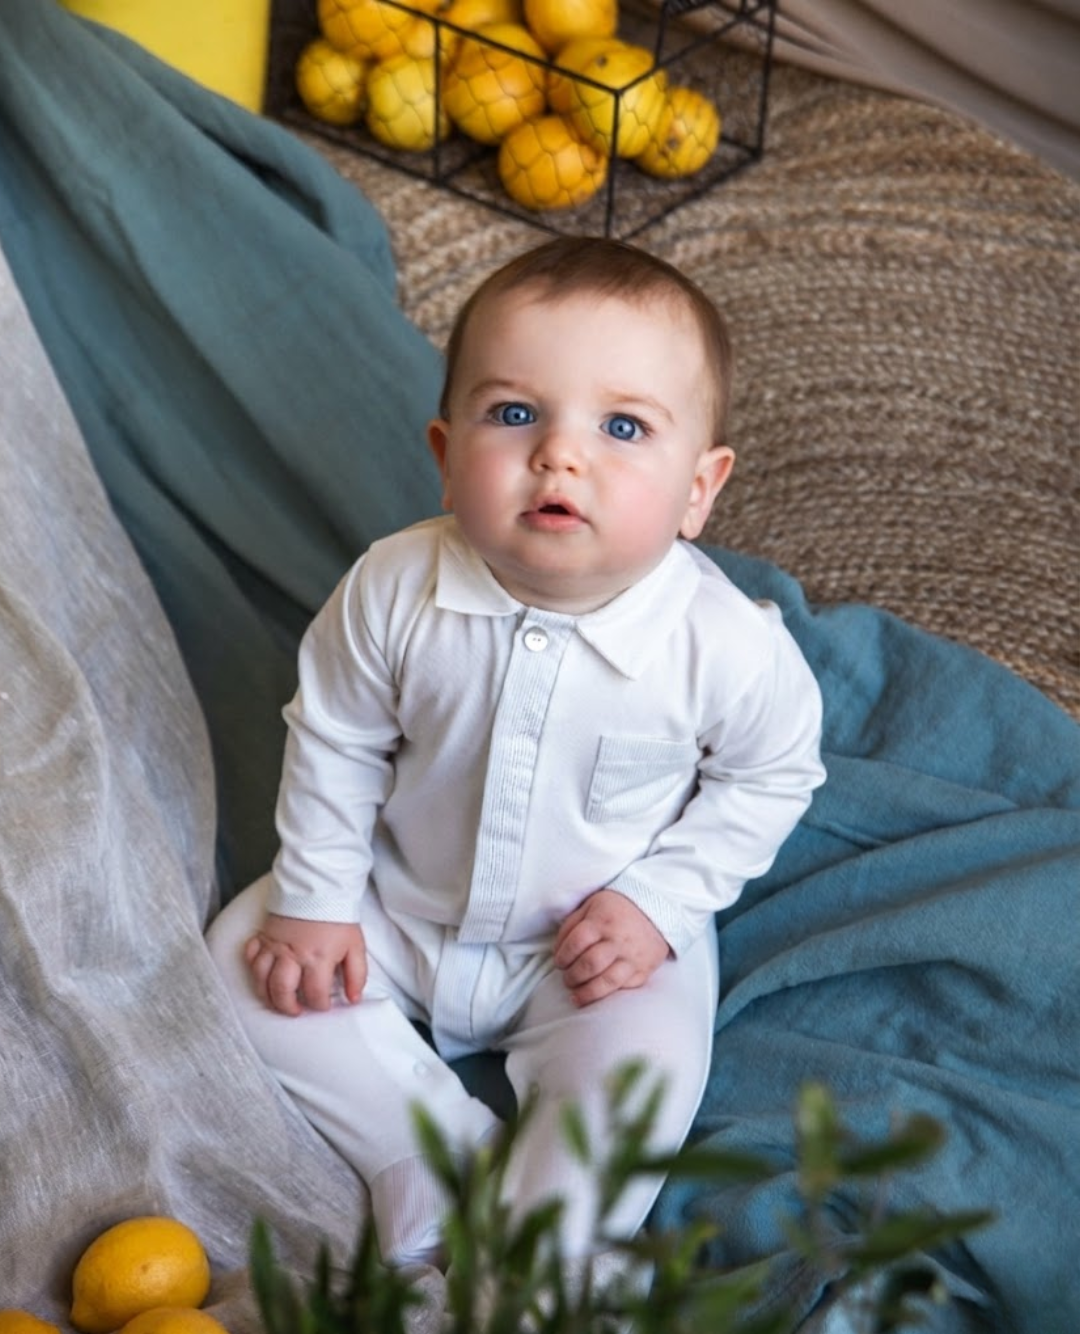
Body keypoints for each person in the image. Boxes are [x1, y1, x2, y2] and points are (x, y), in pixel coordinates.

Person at [206, 236, 826, 1271]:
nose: (560, 454)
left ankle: (538, 1243)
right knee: (240, 961)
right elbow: (336, 736)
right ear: (446, 454)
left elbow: (773, 774)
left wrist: (660, 904)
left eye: (623, 426)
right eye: (513, 413)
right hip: (402, 902)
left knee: (643, 1080)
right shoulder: (392, 587)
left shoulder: (724, 646)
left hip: (589, 946)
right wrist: (317, 899)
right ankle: (429, 1150)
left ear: (698, 489)